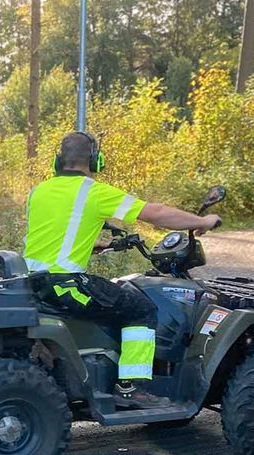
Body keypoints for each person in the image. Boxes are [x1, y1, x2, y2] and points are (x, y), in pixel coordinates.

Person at [23, 131, 222, 408]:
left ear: (58, 160)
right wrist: (202, 220)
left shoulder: (39, 191)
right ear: (95, 160)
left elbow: (54, 234)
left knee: (113, 296)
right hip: (65, 285)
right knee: (140, 308)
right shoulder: (92, 191)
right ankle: (131, 387)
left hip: (34, 282)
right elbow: (157, 213)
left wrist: (96, 245)